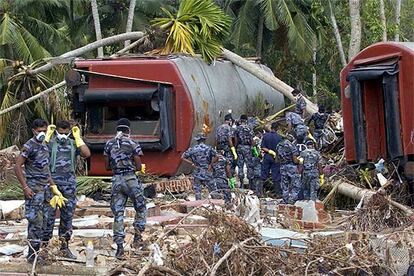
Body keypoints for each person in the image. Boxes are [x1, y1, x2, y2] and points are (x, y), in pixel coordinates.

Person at [42, 120, 90, 259]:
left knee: (67, 217)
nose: (63, 135)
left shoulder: (73, 143)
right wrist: (47, 136)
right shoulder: (51, 143)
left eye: (65, 133)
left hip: (69, 185)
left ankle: (64, 247)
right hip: (52, 185)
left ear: (69, 131)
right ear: (56, 131)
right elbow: (39, 152)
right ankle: (44, 248)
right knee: (48, 216)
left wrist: (78, 138)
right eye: (60, 132)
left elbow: (86, 154)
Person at [104, 118, 146, 258]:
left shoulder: (109, 144)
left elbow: (107, 166)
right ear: (128, 129)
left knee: (118, 213)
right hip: (130, 179)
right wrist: (134, 167)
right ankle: (137, 239)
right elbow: (139, 166)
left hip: (116, 180)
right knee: (140, 207)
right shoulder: (133, 143)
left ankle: (120, 248)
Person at [14, 119, 54, 264]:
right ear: (33, 131)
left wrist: (53, 186)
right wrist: (25, 187)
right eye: (39, 131)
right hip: (34, 190)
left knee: (46, 222)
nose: (42, 133)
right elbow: (17, 166)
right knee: (35, 223)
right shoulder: (28, 146)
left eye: (44, 130)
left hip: (46, 190)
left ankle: (41, 253)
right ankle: (32, 255)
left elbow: (46, 167)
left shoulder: (44, 145)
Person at [182, 133, 219, 200]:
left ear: (197, 140)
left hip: (197, 171)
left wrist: (192, 163)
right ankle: (216, 202)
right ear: (204, 140)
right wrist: (211, 164)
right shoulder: (209, 148)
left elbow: (183, 157)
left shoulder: (192, 149)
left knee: (197, 190)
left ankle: (198, 205)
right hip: (207, 171)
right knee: (213, 189)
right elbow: (217, 156)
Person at [276, 136, 301, 204]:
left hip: (282, 167)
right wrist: (300, 161)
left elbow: (277, 159)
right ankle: (292, 199)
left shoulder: (278, 145)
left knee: (284, 185)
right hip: (291, 167)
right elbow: (295, 160)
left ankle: (285, 199)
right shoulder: (291, 145)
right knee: (296, 184)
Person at [260, 122, 282, 196]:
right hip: (276, 158)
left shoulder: (265, 136)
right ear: (277, 128)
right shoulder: (279, 137)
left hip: (267, 156)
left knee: (264, 174)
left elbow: (262, 147)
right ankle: (277, 193)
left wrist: (269, 151)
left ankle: (262, 192)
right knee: (276, 176)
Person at [215, 114, 238, 178]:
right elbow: (230, 140)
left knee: (221, 165)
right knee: (229, 166)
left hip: (220, 149)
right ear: (230, 121)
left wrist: (216, 149)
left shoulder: (218, 128)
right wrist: (234, 151)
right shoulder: (229, 128)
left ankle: (222, 178)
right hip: (228, 150)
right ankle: (230, 180)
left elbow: (216, 140)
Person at [235, 114, 254, 188]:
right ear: (246, 120)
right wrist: (253, 147)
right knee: (249, 165)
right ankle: (250, 183)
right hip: (247, 147)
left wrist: (236, 147)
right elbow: (251, 139)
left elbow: (236, 140)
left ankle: (242, 183)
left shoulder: (237, 128)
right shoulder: (249, 128)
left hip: (239, 147)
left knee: (240, 165)